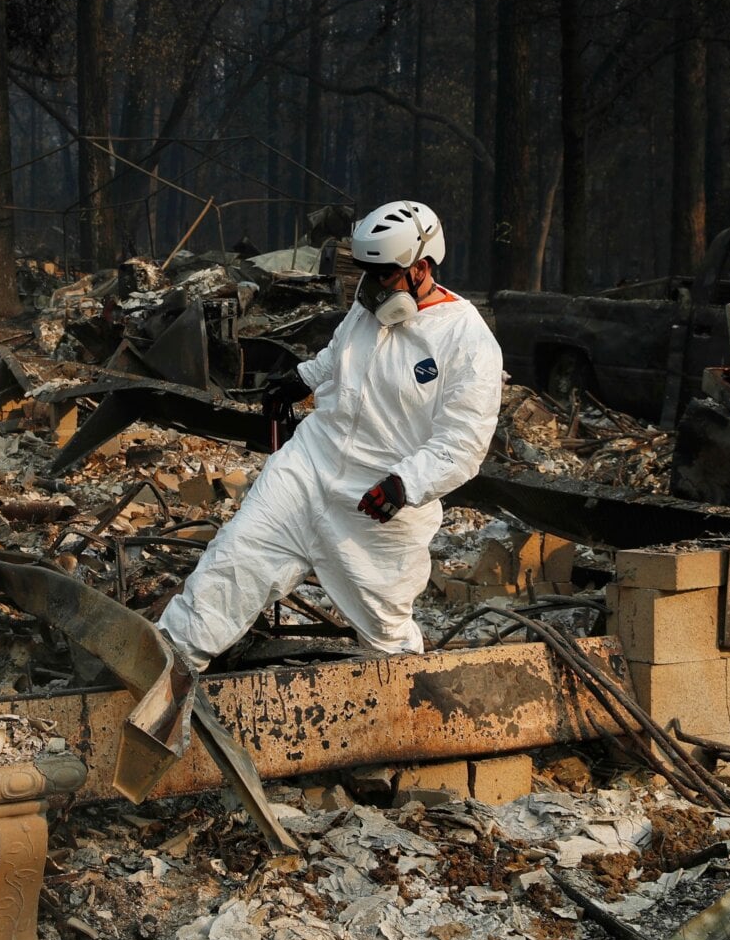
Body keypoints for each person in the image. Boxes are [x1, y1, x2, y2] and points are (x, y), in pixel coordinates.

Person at [159, 201, 503, 668]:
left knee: (385, 635)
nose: (367, 286)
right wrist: (302, 379)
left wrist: (405, 484)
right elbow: (339, 355)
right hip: (307, 469)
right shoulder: (368, 311)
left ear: (421, 268)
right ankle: (162, 667)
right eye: (365, 272)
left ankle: (404, 712)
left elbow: (462, 442)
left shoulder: (467, 341)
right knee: (230, 567)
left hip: (378, 504)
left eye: (381, 274)